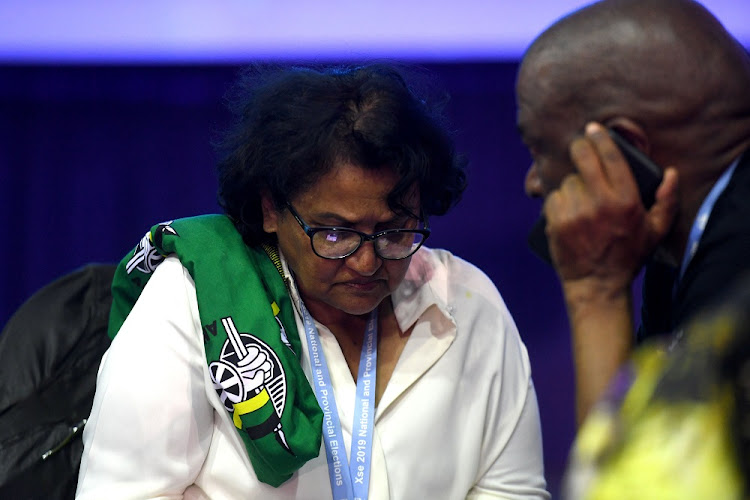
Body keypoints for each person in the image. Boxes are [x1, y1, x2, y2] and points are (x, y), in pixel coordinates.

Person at [75, 64, 550, 499]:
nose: (366, 262)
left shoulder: (468, 306)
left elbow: (512, 491)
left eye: (393, 231)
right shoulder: (193, 300)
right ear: (269, 209)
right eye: (336, 233)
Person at [516, 0, 750, 427]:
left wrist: (596, 291)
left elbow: (629, 485)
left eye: (540, 149)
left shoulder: (738, 288)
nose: (533, 182)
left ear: (622, 148)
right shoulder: (682, 247)